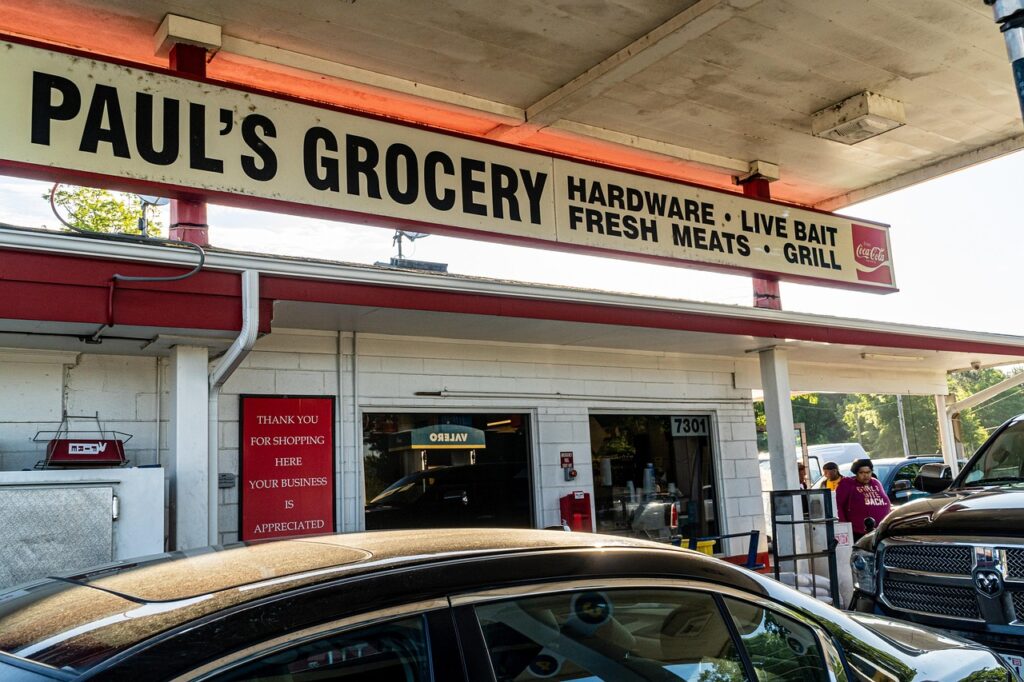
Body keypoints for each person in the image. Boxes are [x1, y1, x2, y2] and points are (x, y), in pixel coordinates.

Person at [836, 458, 891, 541]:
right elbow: (838, 505)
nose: (865, 475)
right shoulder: (847, 484)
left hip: (880, 531)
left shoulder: (875, 483)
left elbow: (885, 500)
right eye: (861, 472)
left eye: (868, 472)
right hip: (858, 533)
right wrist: (843, 527)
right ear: (856, 473)